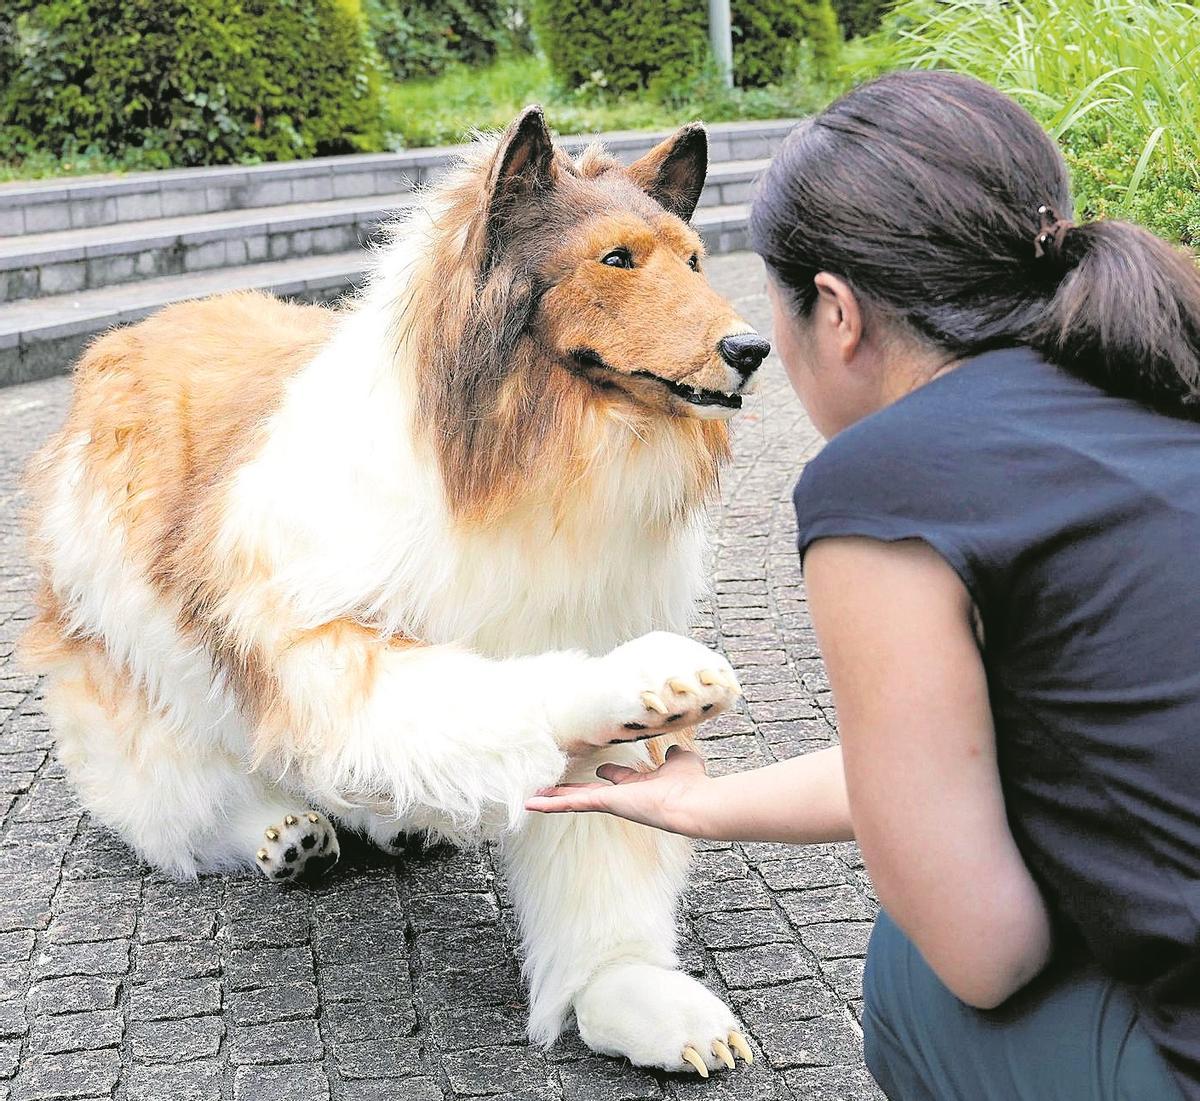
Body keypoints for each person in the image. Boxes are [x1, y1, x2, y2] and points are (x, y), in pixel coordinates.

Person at [525, 70, 1200, 1101]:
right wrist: (705, 807)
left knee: (915, 971)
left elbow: (988, 951)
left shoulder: (892, 476)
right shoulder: (1158, 373)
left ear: (834, 313)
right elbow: (975, 758)